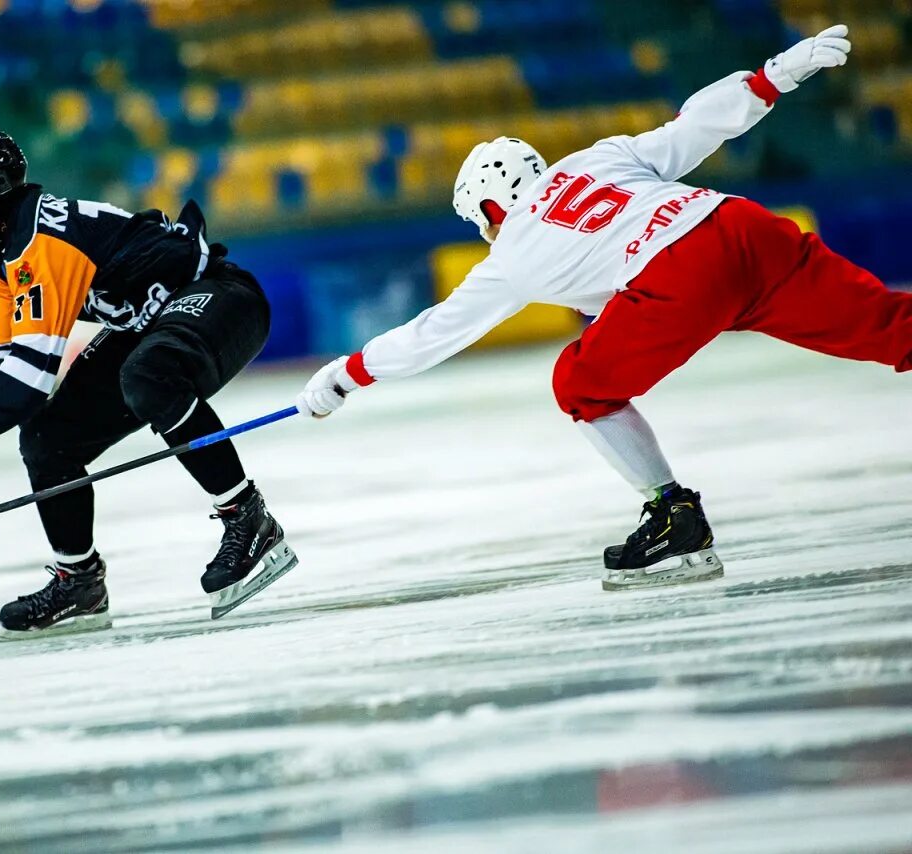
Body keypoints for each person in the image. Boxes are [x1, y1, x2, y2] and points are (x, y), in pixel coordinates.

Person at [297, 25, 905, 591]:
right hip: (740, 226)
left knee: (581, 383)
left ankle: (673, 516)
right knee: (888, 329)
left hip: (679, 277)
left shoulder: (513, 251)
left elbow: (436, 332)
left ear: (489, 207)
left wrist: (346, 374)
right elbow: (694, 127)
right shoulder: (596, 158)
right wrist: (772, 76)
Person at [0, 128, 297, 637]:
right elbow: (8, 358)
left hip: (222, 297)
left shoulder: (38, 241)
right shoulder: (6, 254)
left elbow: (30, 376)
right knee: (48, 439)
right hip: (148, 323)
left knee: (148, 375)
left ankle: (249, 520)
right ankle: (79, 581)